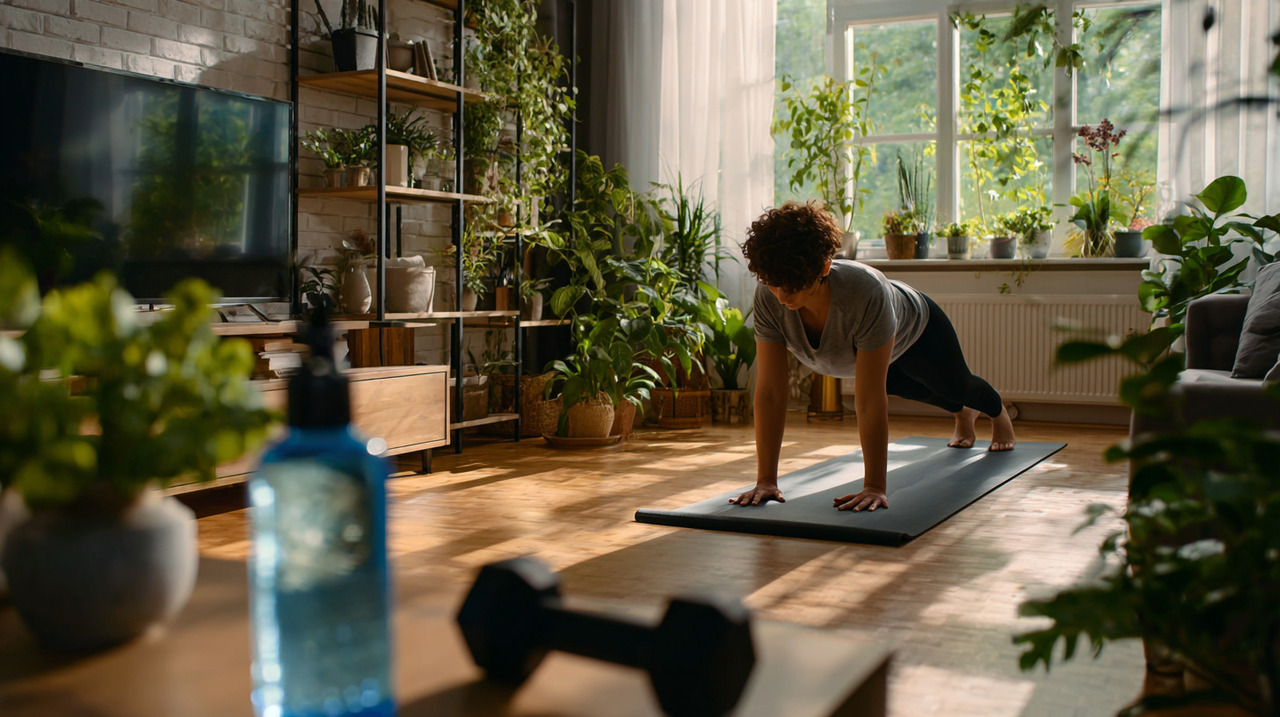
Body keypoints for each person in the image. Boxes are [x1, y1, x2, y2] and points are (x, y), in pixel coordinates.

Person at [731, 201, 1016, 513]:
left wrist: (874, 487)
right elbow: (771, 392)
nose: (782, 297)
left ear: (824, 268)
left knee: (956, 385)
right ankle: (963, 412)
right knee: (914, 389)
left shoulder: (865, 292)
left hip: (918, 329)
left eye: (794, 287)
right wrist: (766, 481)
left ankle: (997, 413)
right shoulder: (768, 297)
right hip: (861, 350)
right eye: (774, 285)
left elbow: (868, 400)